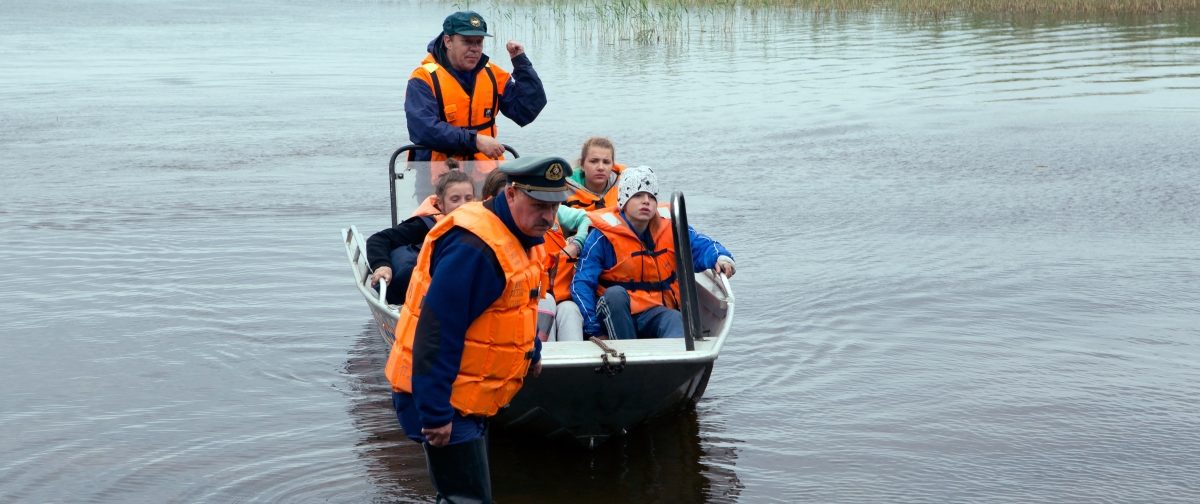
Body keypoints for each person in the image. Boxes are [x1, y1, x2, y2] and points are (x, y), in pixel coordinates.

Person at [383, 156, 571, 503]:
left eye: (555, 206)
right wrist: (437, 413)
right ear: (512, 194)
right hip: (442, 396)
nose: (548, 216)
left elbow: (513, 306)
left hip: (469, 392)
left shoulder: (519, 234)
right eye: (539, 205)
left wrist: (532, 350)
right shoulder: (475, 249)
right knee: (466, 498)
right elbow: (437, 331)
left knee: (465, 493)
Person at [571, 166, 736, 340]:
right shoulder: (601, 237)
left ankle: (676, 362)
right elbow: (582, 283)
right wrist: (594, 330)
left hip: (656, 311)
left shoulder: (671, 228)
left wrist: (720, 257)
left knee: (674, 319)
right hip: (616, 313)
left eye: (651, 196)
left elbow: (702, 245)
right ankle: (629, 357)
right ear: (623, 201)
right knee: (615, 295)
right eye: (637, 196)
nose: (646, 201)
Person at [405, 11, 546, 163]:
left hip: (487, 176)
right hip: (439, 177)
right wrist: (475, 140)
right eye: (467, 41)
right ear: (448, 41)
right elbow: (423, 130)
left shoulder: (492, 75)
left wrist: (520, 62)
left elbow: (526, 111)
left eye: (479, 42)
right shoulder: (423, 78)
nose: (475, 48)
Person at [366, 170, 475, 305]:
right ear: (440, 204)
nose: (463, 204)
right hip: (423, 299)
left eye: (468, 198)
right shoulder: (424, 225)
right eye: (455, 199)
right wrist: (382, 266)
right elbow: (378, 240)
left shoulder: (485, 228)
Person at [565, 137, 623, 211]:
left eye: (606, 162)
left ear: (612, 165)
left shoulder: (624, 186)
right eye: (594, 161)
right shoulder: (564, 191)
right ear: (582, 164)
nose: (601, 167)